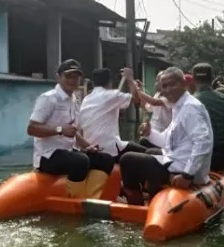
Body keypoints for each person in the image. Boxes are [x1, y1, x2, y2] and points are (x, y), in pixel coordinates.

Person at [119, 67, 214, 206]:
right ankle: (154, 197)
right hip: (178, 160)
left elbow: (203, 142)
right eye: (164, 86)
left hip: (183, 169)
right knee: (150, 151)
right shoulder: (178, 106)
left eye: (172, 84)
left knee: (127, 159)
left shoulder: (190, 108)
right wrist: (149, 133)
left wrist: (187, 175)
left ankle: (135, 207)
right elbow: (167, 141)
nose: (168, 90)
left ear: (183, 83)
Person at [26, 59, 115, 199]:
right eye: (68, 76)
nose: (72, 80)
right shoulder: (48, 99)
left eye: (76, 76)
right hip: (47, 156)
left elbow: (72, 131)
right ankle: (76, 201)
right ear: (58, 77)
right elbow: (31, 128)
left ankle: (92, 198)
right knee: (81, 161)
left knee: (105, 159)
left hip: (68, 152)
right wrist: (60, 129)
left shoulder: (74, 100)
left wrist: (88, 146)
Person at [78, 67, 150, 161]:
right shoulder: (111, 95)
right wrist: (130, 78)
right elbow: (136, 99)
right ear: (109, 82)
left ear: (93, 83)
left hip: (90, 146)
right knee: (149, 154)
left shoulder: (86, 99)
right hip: (108, 147)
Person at [139, 71, 172, 148]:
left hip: (163, 137)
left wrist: (139, 91)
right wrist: (140, 91)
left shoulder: (170, 96)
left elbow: (154, 102)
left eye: (158, 80)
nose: (155, 83)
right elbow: (146, 107)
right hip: (152, 134)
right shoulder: (157, 94)